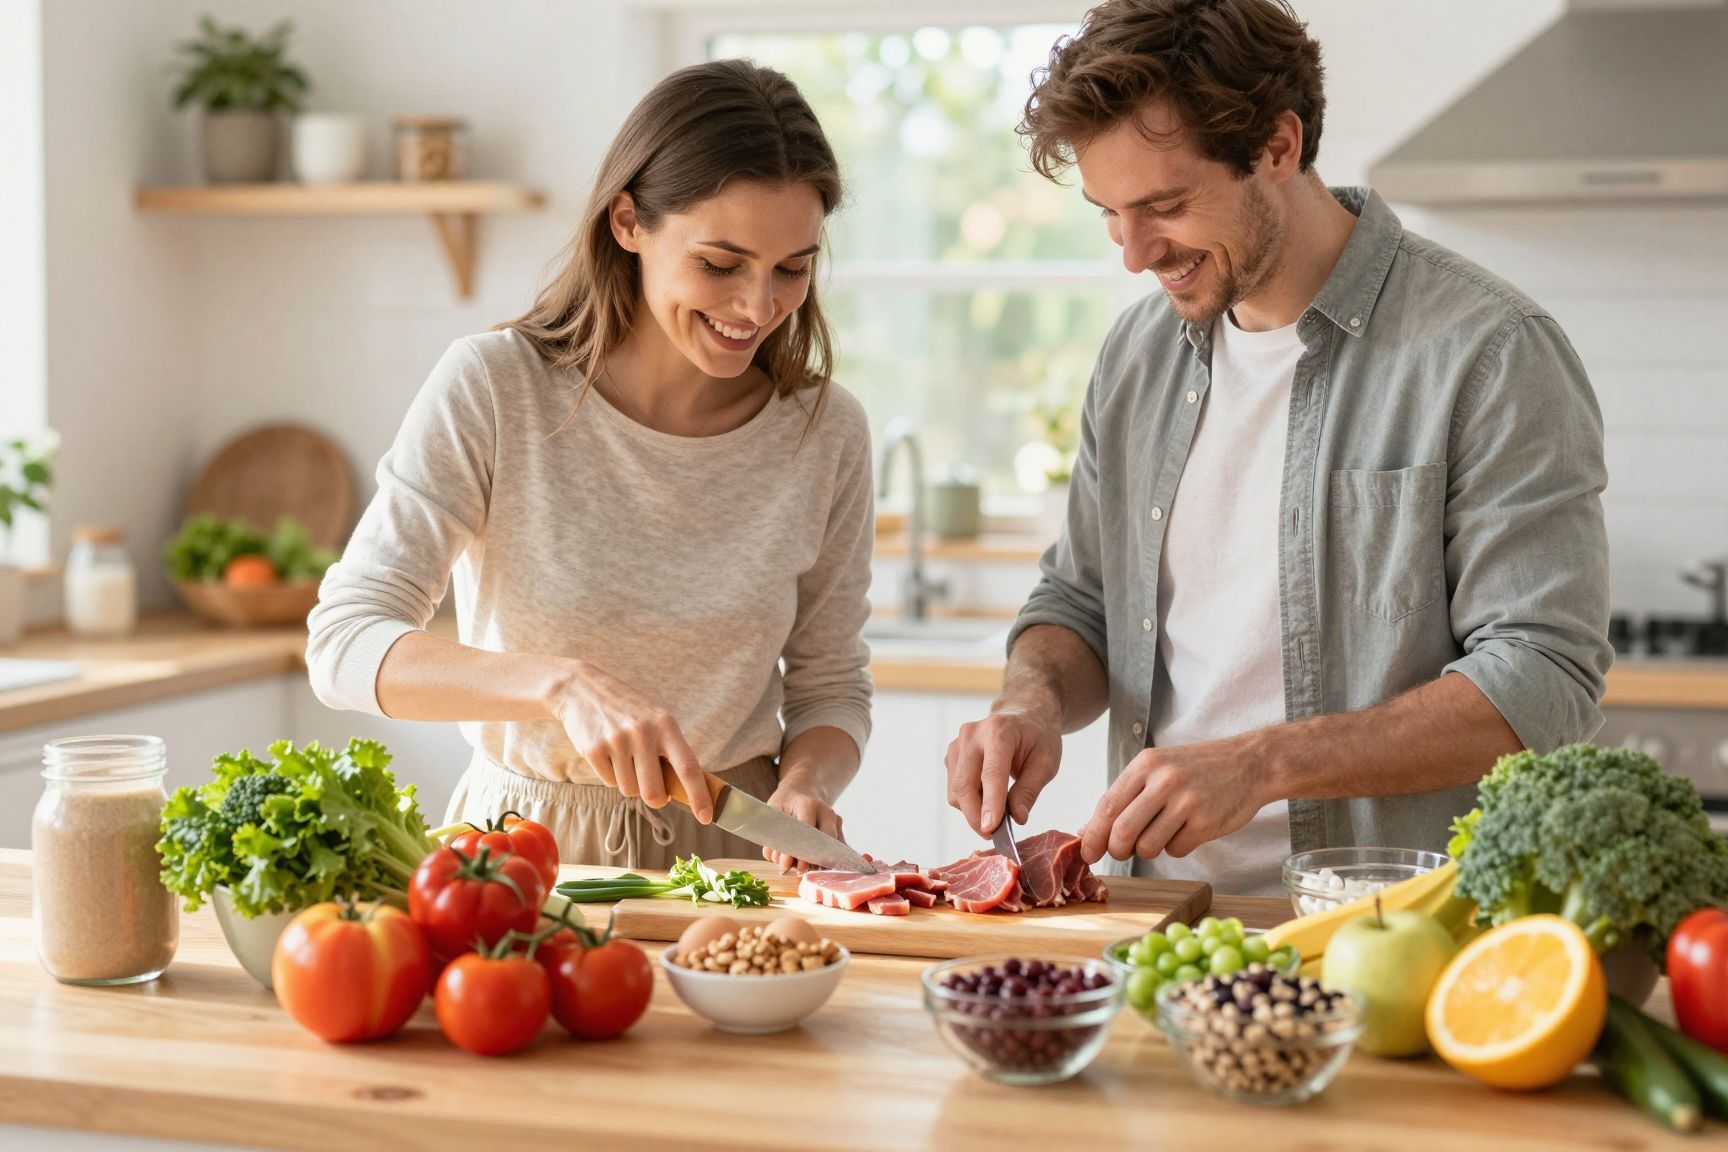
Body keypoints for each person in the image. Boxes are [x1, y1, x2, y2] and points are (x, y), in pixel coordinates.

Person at [945, 0, 1612, 897]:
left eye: (1166, 206)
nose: (1137, 255)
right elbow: (1083, 600)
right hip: (1162, 917)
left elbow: (1541, 678)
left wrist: (1263, 764)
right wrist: (1032, 703)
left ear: (1279, 146)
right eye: (1110, 215)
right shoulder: (1138, 356)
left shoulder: (1488, 350)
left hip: (1390, 928)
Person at [308, 60, 875, 871]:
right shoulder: (496, 388)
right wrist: (559, 686)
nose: (758, 307)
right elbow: (345, 643)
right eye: (720, 263)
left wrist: (807, 783)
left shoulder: (825, 432)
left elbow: (831, 688)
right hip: (519, 853)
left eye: (793, 268)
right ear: (627, 222)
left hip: (738, 852)